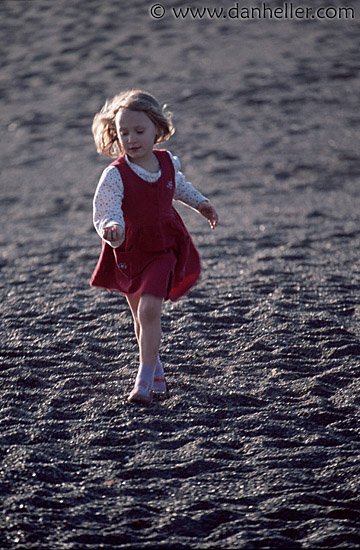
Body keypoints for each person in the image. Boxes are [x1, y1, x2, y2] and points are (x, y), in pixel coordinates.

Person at [90, 89, 218, 405]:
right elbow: (105, 208)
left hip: (163, 247)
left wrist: (201, 204)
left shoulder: (167, 163)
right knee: (139, 317)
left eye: (139, 131)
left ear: (157, 130)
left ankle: (143, 382)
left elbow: (179, 187)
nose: (131, 139)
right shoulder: (115, 174)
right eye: (124, 133)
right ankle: (157, 373)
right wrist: (111, 227)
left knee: (149, 310)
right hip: (129, 251)